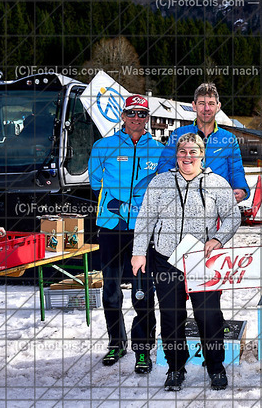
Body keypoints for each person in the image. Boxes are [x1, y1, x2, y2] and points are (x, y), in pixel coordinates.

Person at [132, 133, 241, 391]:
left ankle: (216, 367)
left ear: (202, 155)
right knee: (171, 316)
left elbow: (232, 217)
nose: (187, 156)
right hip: (165, 260)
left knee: (209, 316)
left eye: (193, 152)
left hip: (202, 260)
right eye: (182, 151)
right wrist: (139, 252)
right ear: (176, 155)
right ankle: (175, 368)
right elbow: (145, 219)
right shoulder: (160, 183)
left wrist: (218, 238)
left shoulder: (217, 183)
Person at [88, 94, 162, 373]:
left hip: (143, 230)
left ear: (147, 118)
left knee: (143, 292)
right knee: (110, 291)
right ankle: (116, 343)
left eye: (142, 114)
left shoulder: (159, 150)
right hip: (111, 229)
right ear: (123, 115)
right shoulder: (102, 146)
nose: (136, 118)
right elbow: (95, 183)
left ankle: (143, 349)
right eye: (131, 112)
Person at [156, 82, 250, 202]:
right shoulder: (178, 134)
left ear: (218, 106)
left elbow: (236, 170)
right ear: (194, 106)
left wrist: (241, 189)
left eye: (211, 104)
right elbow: (165, 164)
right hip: (185, 201)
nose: (206, 108)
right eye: (201, 103)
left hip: (218, 202)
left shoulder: (228, 139)